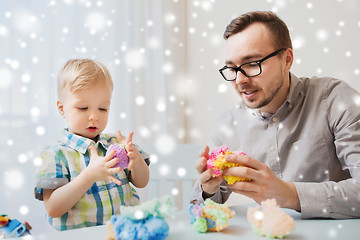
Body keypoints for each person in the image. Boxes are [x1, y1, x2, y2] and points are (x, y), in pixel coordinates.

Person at [191, 11, 360, 219]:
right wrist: (208, 189)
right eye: (232, 68)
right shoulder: (228, 125)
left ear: (287, 59)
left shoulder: (335, 100)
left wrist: (288, 194)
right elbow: (199, 209)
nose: (239, 80)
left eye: (252, 64)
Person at [34, 59, 150, 230]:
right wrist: (89, 176)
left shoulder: (116, 143)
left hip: (124, 232)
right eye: (83, 108)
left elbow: (141, 182)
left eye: (103, 108)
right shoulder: (55, 154)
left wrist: (136, 160)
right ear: (61, 108)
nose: (94, 116)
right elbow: (53, 208)